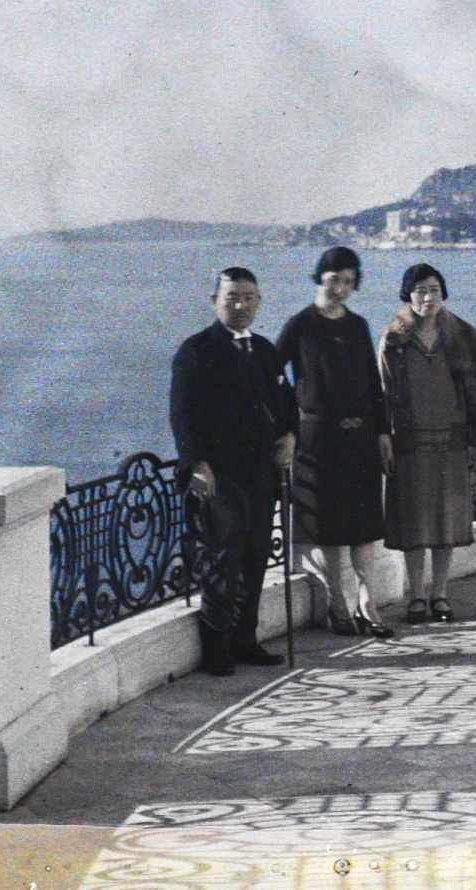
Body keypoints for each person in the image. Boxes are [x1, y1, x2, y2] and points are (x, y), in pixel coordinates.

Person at [169, 267, 297, 676]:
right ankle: (217, 648)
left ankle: (246, 639)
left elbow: (285, 402)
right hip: (220, 476)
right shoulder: (196, 350)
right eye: (231, 298)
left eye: (248, 298)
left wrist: (291, 437)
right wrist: (197, 464)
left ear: (259, 301)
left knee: (257, 556)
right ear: (214, 302)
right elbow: (182, 414)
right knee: (222, 560)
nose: (240, 306)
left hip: (261, 473)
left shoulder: (264, 350)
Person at [276, 247, 395, 639]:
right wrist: (290, 424)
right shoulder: (300, 325)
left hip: (360, 439)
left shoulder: (358, 326)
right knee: (329, 526)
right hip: (318, 443)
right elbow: (273, 377)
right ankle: (337, 602)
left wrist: (381, 431)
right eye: (334, 280)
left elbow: (373, 384)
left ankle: (367, 601)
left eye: (348, 282)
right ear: (320, 277)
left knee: (362, 526)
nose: (341, 289)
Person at [378, 262, 476, 623]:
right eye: (421, 290)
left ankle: (440, 594)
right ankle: (417, 596)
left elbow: (474, 394)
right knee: (413, 523)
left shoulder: (463, 336)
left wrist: (473, 439)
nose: (428, 297)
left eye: (435, 289)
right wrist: (385, 440)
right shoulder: (394, 340)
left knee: (445, 523)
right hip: (409, 443)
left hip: (451, 442)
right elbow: (382, 394)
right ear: (408, 295)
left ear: (444, 293)